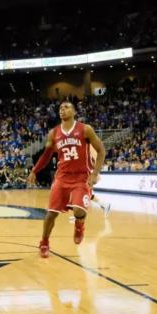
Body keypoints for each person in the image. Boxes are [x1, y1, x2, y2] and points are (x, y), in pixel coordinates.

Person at [27, 101, 105, 257]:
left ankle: (79, 225)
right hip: (62, 177)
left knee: (79, 210)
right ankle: (44, 242)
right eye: (60, 108)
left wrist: (95, 173)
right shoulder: (53, 133)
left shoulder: (85, 129)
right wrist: (34, 171)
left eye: (66, 107)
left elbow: (101, 150)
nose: (62, 110)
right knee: (51, 213)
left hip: (82, 177)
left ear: (74, 111)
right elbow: (47, 155)